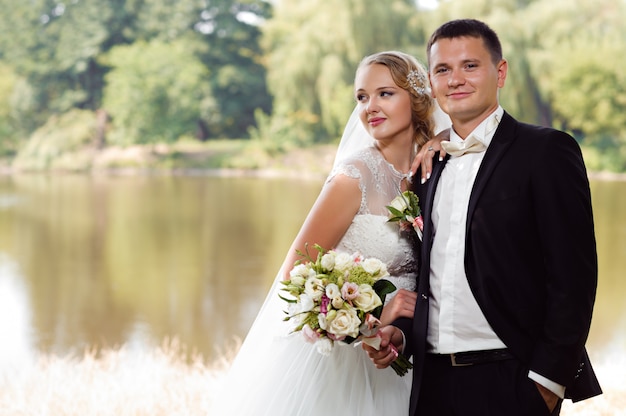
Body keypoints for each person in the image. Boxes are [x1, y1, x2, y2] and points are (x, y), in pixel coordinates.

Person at [364, 19, 602, 416]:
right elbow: (434, 276)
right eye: (443, 69)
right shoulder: (428, 167)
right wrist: (403, 336)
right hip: (432, 383)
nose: (455, 79)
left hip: (513, 381)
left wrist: (547, 383)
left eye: (470, 66)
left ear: (500, 72)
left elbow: (573, 279)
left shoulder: (546, 152)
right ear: (431, 80)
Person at [208, 51, 450, 415]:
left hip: (404, 352)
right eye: (362, 97)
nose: (370, 107)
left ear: (416, 99)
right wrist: (373, 320)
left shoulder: (429, 170)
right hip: (343, 364)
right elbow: (296, 274)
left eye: (385, 93)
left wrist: (442, 136)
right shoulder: (353, 177)